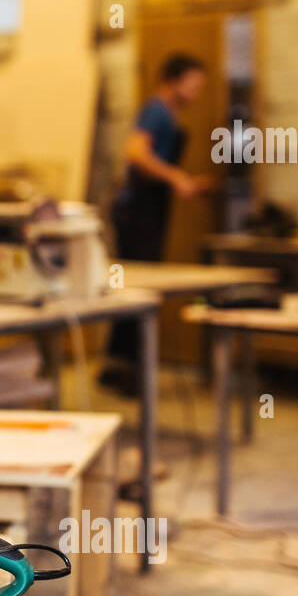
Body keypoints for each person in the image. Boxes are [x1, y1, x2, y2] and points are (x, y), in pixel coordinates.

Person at [104, 52, 212, 384]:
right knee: (136, 286)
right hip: (137, 209)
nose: (196, 94)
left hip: (152, 206)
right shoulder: (156, 111)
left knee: (143, 286)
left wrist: (184, 182)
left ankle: (126, 366)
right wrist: (176, 177)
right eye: (192, 86)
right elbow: (135, 152)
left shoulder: (169, 115)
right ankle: (121, 367)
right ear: (173, 82)